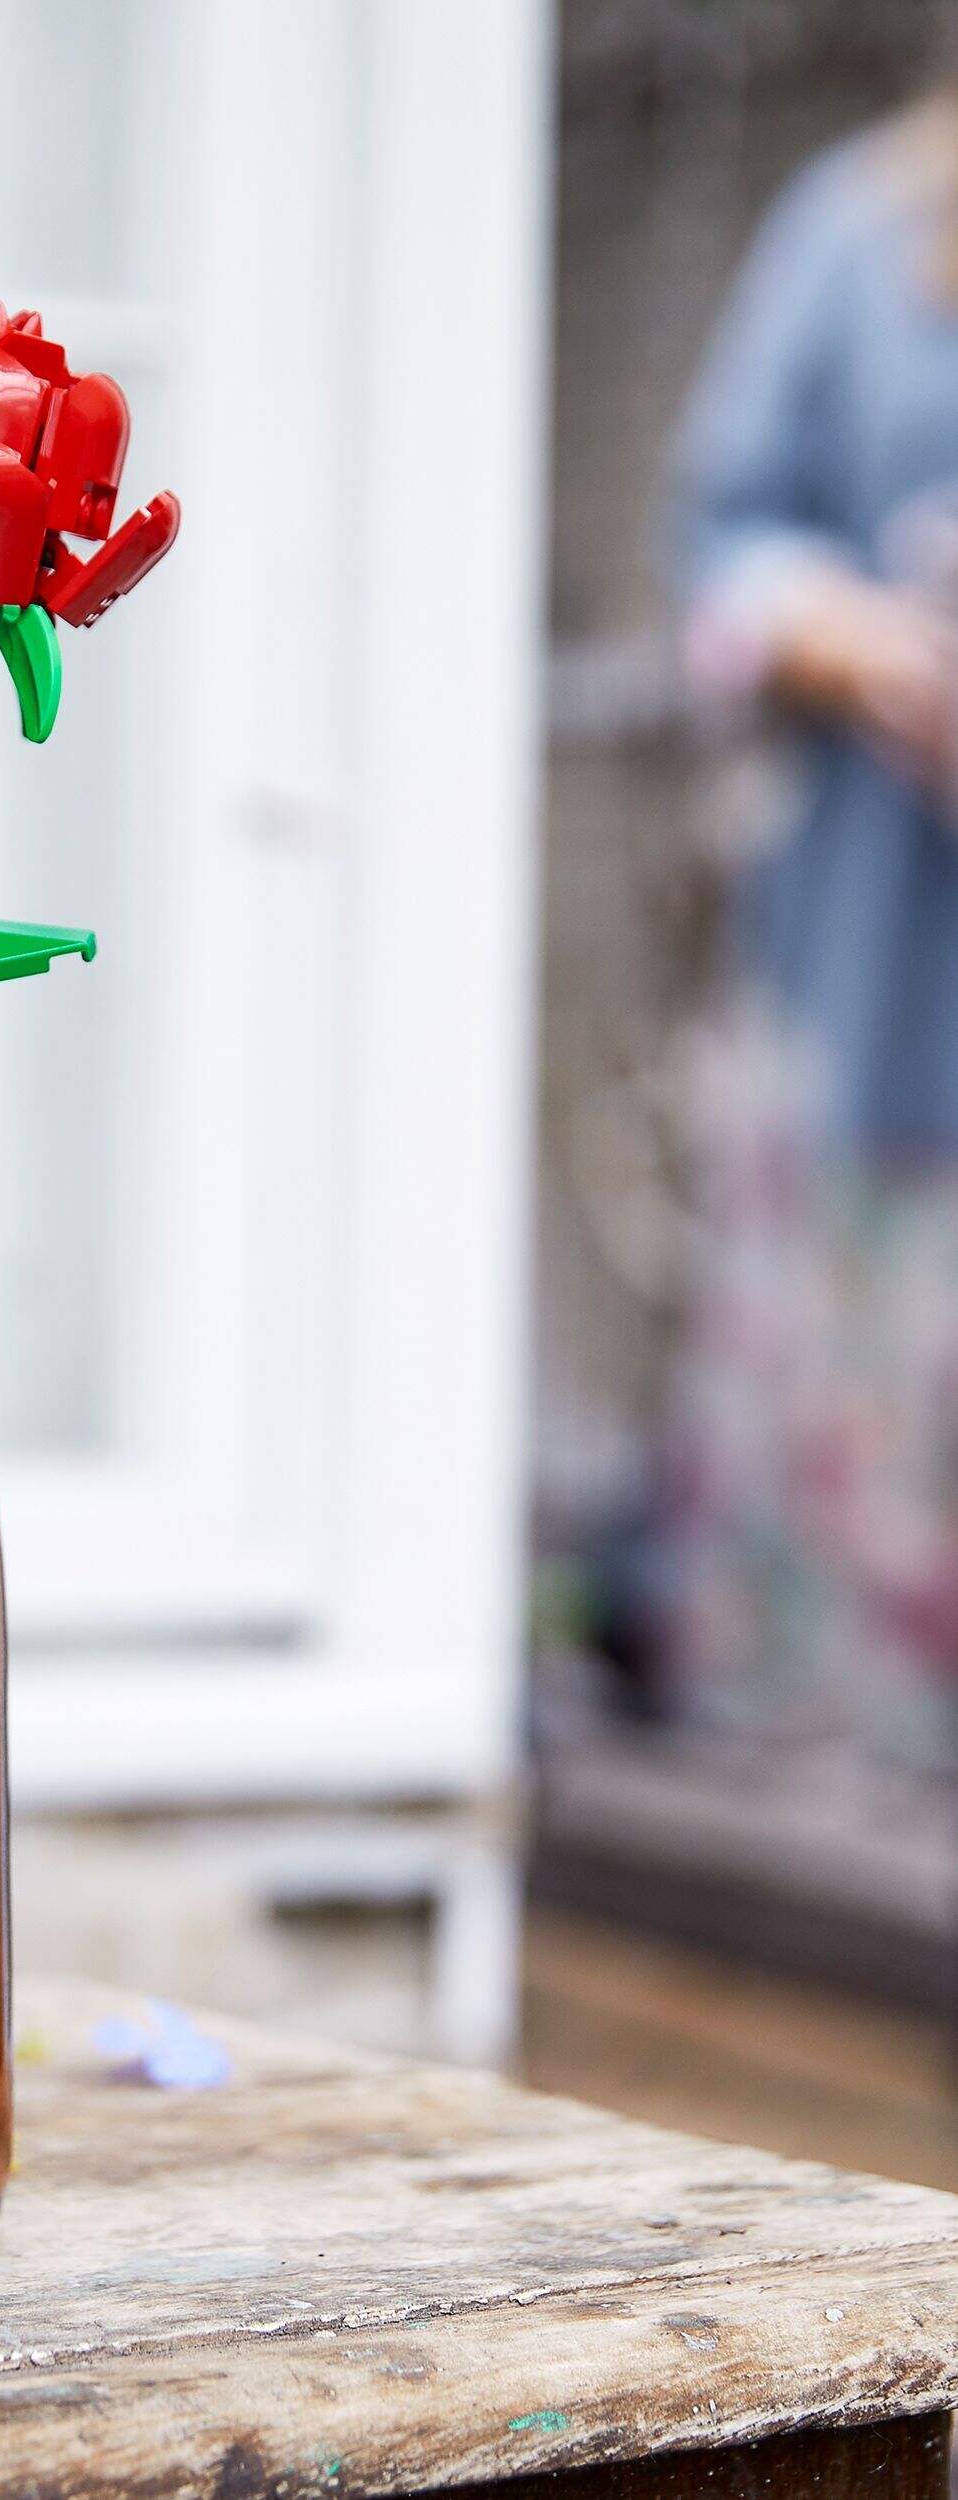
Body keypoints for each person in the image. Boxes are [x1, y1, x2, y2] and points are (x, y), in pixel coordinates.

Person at [665, 78, 958, 1762]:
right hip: (872, 941)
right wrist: (853, 638)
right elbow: (719, 533)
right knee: (852, 1356)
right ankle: (826, 1756)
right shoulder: (865, 222)